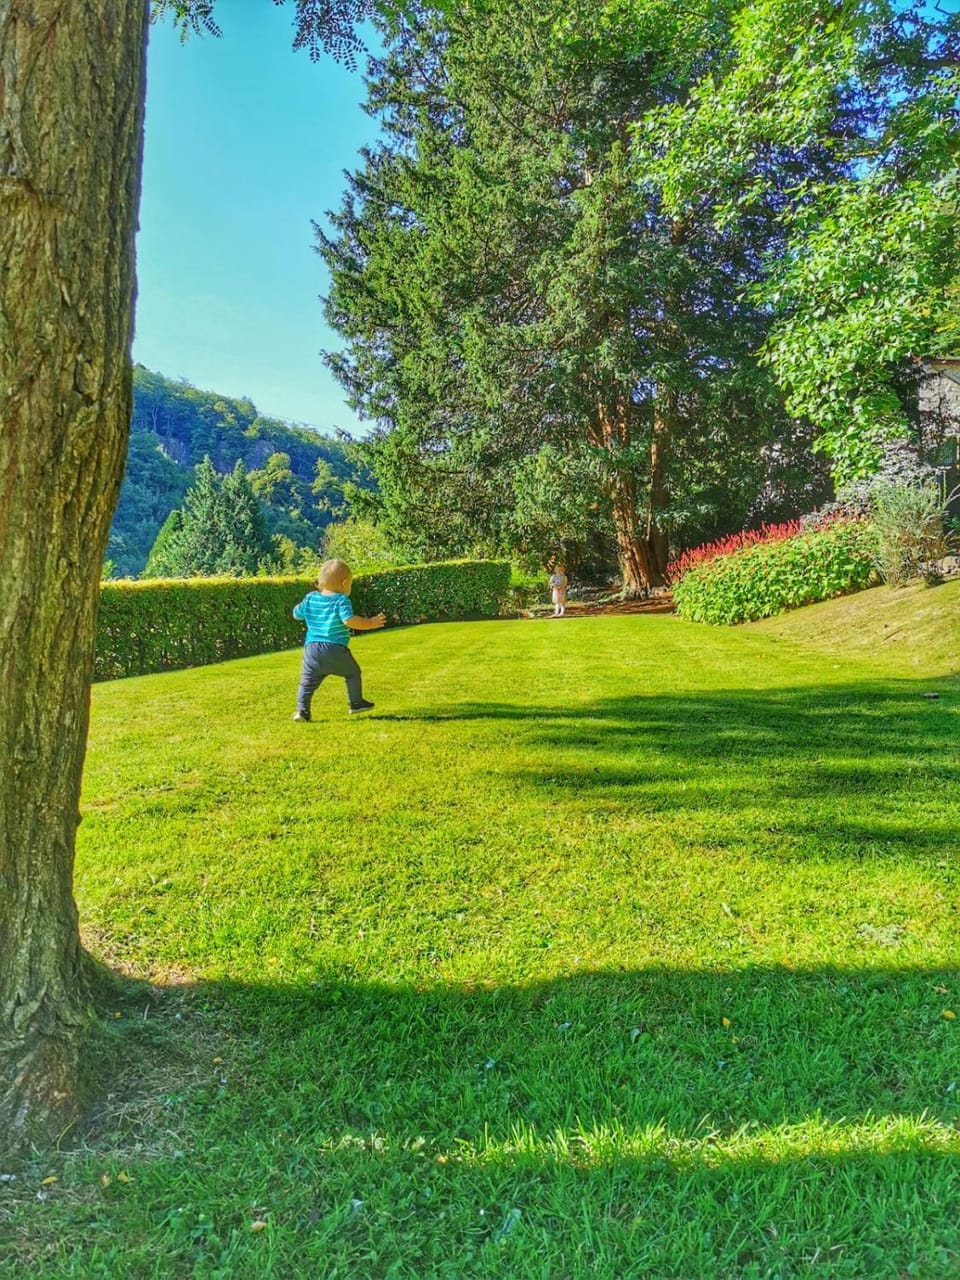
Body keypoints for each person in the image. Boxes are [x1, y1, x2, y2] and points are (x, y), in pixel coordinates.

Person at [292, 558, 385, 720]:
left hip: (311, 650)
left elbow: (296, 614)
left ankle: (302, 711)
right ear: (344, 583)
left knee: (306, 683)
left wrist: (304, 608)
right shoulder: (341, 600)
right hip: (334, 648)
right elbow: (349, 620)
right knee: (353, 673)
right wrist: (370, 623)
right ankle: (356, 703)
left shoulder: (310, 598)